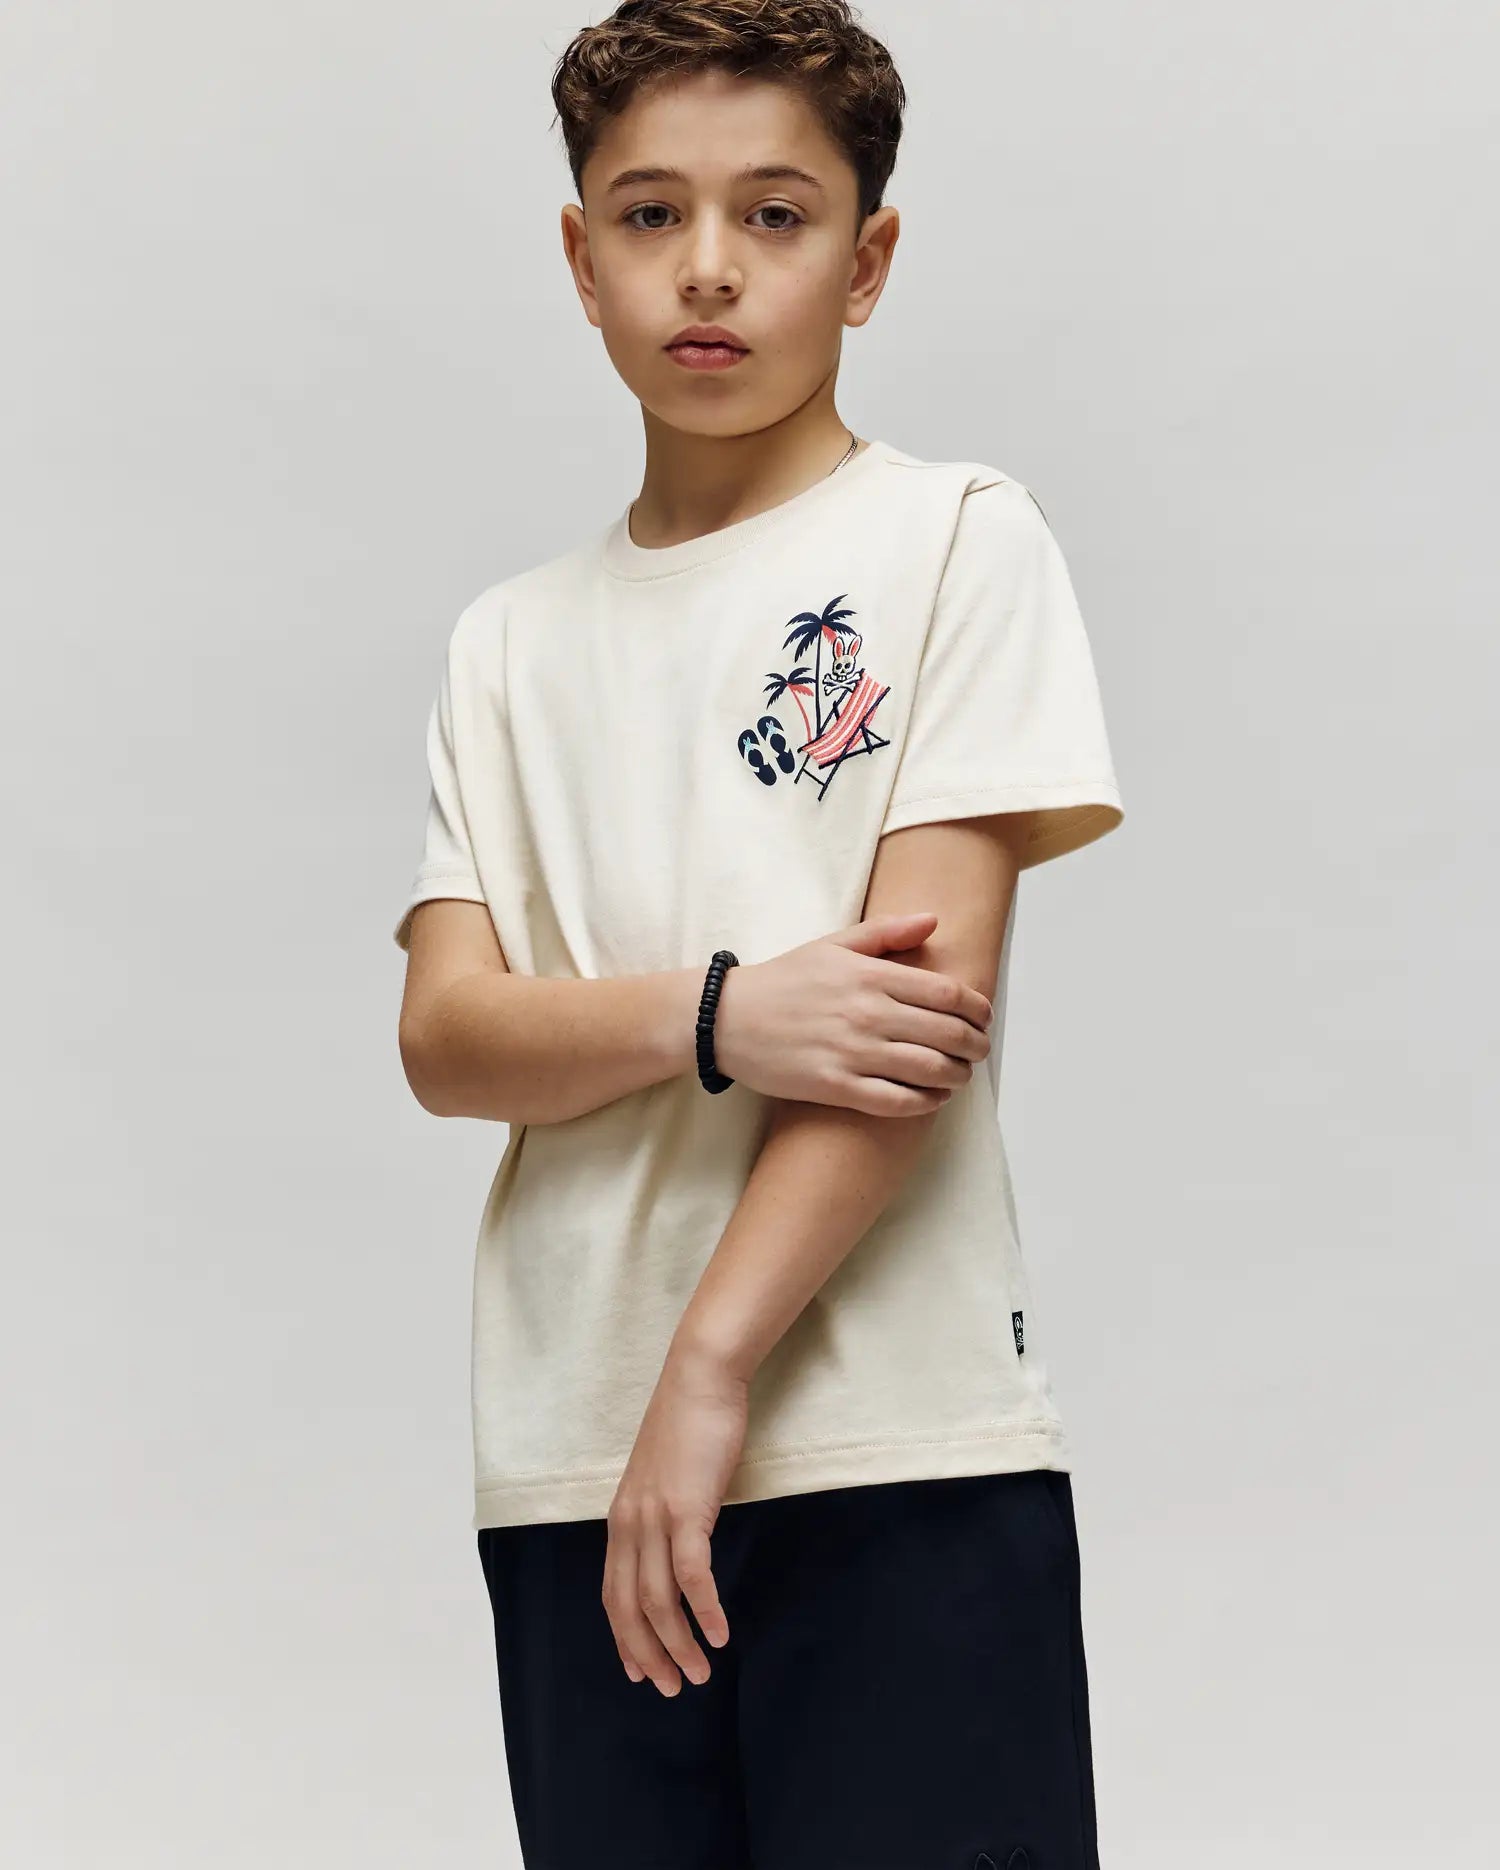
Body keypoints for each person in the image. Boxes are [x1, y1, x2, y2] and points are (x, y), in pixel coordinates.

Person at [392, 4, 1125, 1865]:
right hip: (572, 1455)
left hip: (894, 1446)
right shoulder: (506, 642)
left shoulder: (958, 538)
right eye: (648, 215)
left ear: (868, 259)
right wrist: (725, 1012)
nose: (707, 266)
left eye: (777, 215)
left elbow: (910, 1022)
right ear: (579, 256)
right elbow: (448, 1037)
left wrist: (707, 1375)